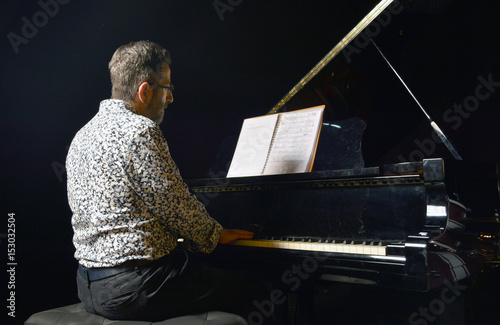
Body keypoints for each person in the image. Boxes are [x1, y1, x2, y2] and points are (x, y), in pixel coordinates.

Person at [66, 40, 269, 322]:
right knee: (261, 291)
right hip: (137, 287)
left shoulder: (82, 135)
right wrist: (216, 234)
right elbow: (177, 207)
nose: (171, 98)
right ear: (144, 91)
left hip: (88, 287)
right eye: (167, 88)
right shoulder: (140, 131)